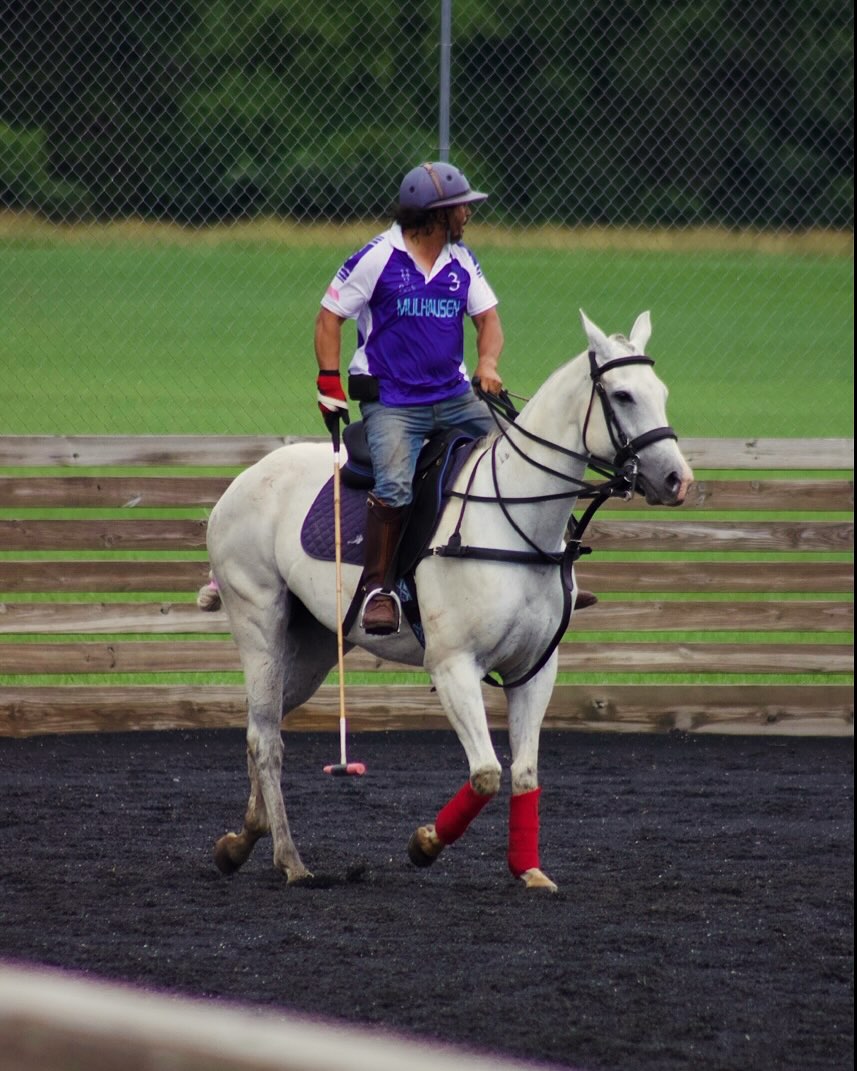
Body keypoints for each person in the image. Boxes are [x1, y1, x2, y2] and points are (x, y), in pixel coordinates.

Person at [315, 161, 595, 635]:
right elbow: (329, 317)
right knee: (396, 486)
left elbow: (489, 320)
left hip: (453, 397)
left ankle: (557, 572)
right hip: (393, 402)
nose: (468, 212)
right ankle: (379, 590)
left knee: (527, 457)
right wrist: (328, 383)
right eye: (461, 206)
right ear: (435, 213)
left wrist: (487, 365)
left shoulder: (462, 261)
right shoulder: (378, 257)